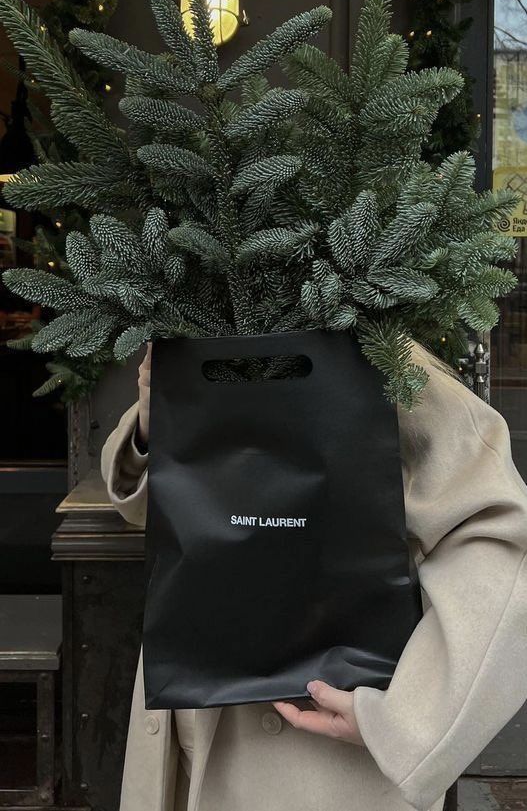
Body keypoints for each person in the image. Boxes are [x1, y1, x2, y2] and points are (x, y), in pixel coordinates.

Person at [101, 338, 527, 811]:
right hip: (192, 722)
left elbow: (503, 540)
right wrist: (150, 424)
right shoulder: (201, 335)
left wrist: (405, 721)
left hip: (312, 752)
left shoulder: (384, 360)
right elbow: (161, 510)